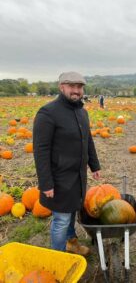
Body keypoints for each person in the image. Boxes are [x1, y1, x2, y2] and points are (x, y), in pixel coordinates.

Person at [33, 71, 101, 256]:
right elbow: (41, 151)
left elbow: (88, 141)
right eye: (72, 86)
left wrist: (94, 165)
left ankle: (71, 243)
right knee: (61, 220)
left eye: (79, 87)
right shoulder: (48, 113)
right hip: (59, 178)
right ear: (61, 87)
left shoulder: (82, 112)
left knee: (72, 212)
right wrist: (46, 183)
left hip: (77, 176)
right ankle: (58, 257)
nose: (76, 90)